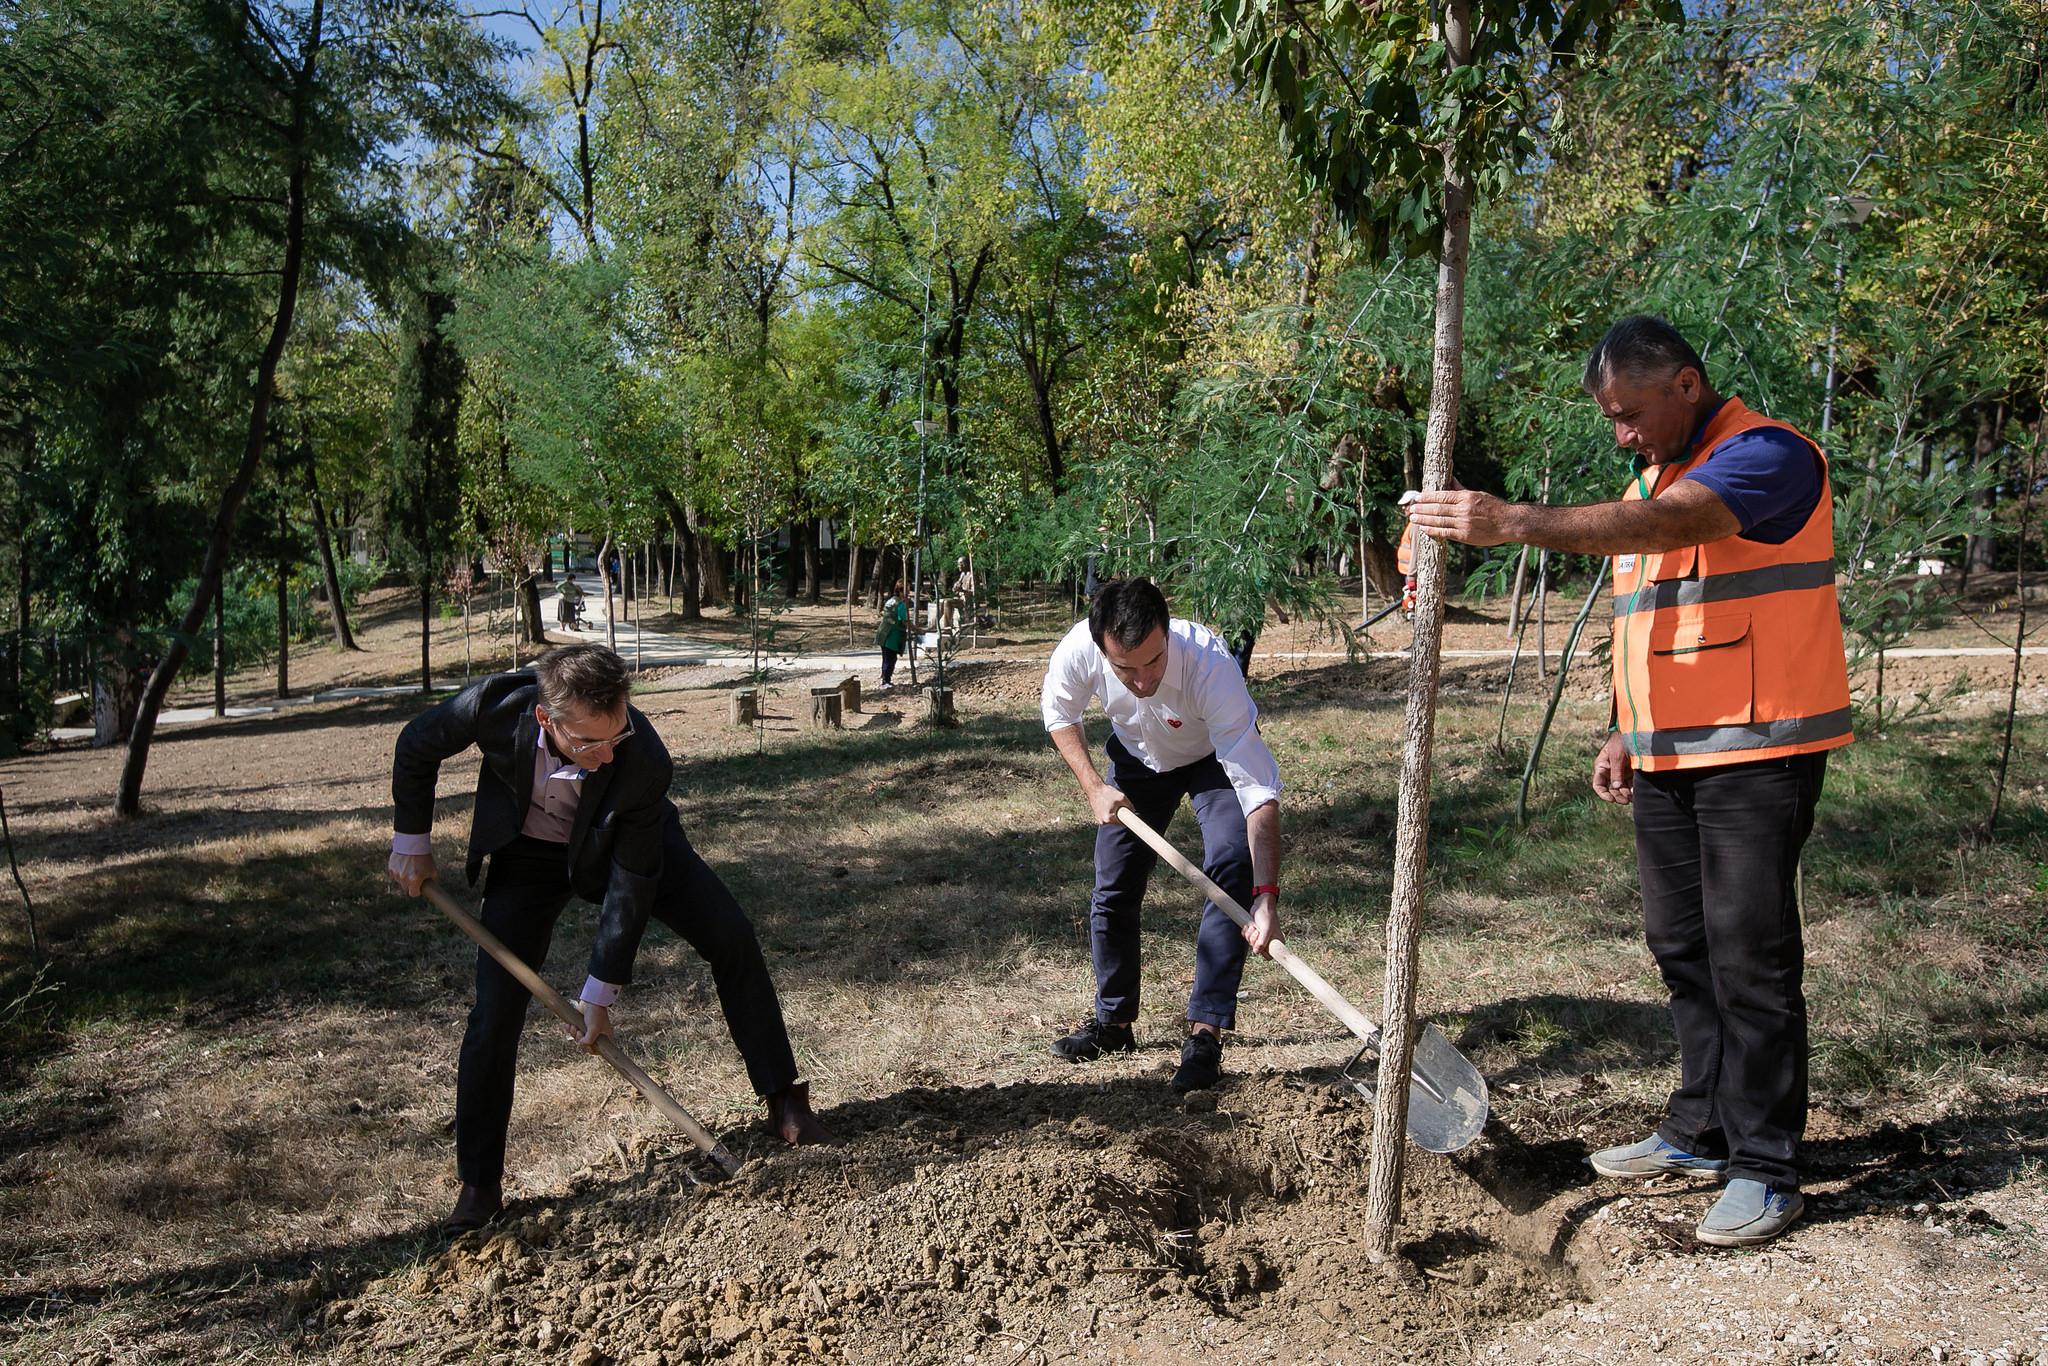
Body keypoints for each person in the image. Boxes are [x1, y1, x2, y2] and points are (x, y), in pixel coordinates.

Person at [1406, 313, 1851, 1248]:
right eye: (1611, 417)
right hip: (1668, 754)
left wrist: (1515, 521)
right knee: (1680, 943)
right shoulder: (1647, 479)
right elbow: (1654, 615)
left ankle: (1767, 1166)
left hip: (1757, 750)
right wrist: (1624, 728)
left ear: (1687, 384)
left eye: (1631, 413)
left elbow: (1681, 522)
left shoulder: (1766, 456)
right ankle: (1701, 1128)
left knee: (1750, 956)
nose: (1622, 434)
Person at [387, 644, 839, 1235]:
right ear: (546, 718)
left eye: (616, 735)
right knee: (495, 1010)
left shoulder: (640, 757)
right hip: (527, 855)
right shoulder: (495, 705)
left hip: (628, 843)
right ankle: (480, 1186)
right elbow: (416, 744)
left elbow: (632, 883)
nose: (607, 754)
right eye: (588, 743)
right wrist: (411, 840)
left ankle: (785, 1102)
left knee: (731, 934)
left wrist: (599, 994)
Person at [1040, 577, 1285, 1092]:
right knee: (1113, 885)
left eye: (1153, 661)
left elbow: (1257, 789)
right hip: (1136, 761)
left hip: (1212, 760)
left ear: (1167, 634)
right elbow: (1059, 712)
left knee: (1230, 860)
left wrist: (1265, 896)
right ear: (1102, 649)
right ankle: (1114, 1024)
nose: (1143, 679)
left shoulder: (1209, 666)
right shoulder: (1080, 648)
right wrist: (1094, 787)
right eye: (1125, 669)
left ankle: (1205, 1036)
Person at [875, 579, 907, 691]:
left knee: (887, 658)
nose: (909, 593)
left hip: (883, 632)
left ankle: (886, 679)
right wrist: (918, 630)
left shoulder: (891, 601)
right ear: (901, 591)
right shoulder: (900, 604)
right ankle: (885, 681)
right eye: (907, 590)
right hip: (891, 635)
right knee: (890, 659)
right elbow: (904, 621)